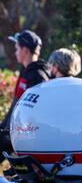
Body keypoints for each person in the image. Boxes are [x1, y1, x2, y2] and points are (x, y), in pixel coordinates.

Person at [0, 30, 51, 163]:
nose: (15, 52)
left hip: (22, 133)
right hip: (11, 129)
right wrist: (4, 125)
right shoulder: (26, 71)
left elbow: (38, 110)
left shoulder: (38, 75)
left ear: (25, 50)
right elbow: (16, 104)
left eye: (17, 48)